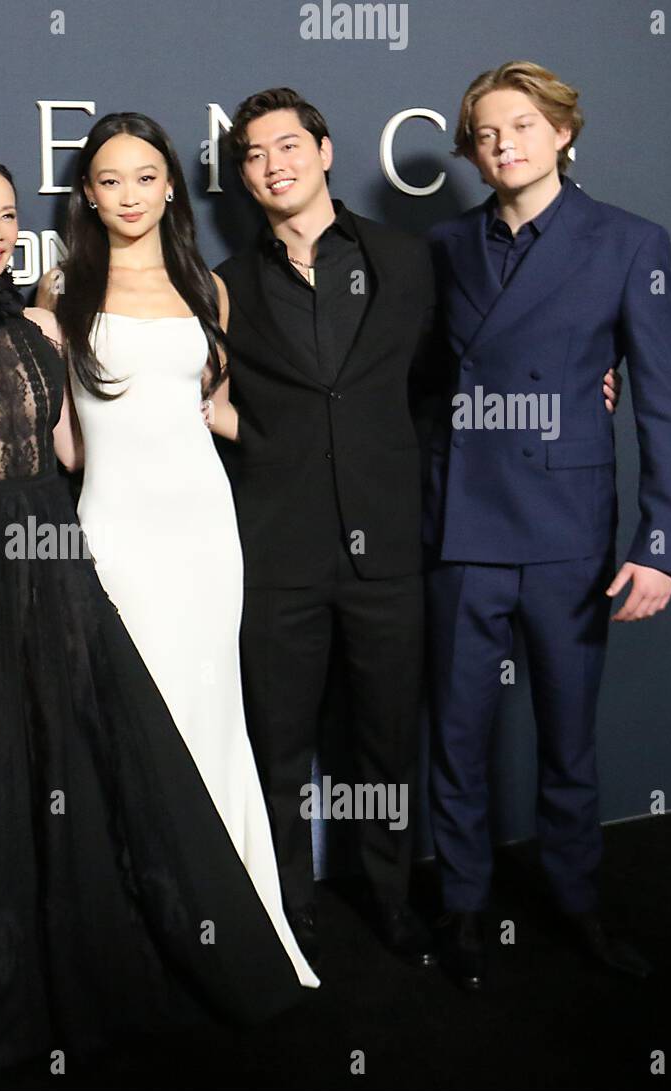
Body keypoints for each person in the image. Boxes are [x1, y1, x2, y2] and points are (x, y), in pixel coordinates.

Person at [0, 154, 317, 1082]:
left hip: (55, 545)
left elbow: (76, 442)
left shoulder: (47, 321)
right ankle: (1, 977)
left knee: (82, 744)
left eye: (6, 214)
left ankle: (115, 952)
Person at [425, 61, 671, 988]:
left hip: (570, 531)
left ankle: (578, 906)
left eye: (524, 126)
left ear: (563, 133)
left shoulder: (629, 241)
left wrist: (662, 545)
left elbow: (664, 405)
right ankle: (462, 910)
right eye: (489, 132)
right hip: (462, 525)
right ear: (472, 148)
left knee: (568, 740)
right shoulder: (445, 244)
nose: (505, 144)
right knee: (457, 739)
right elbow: (422, 382)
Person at [40, 113, 315, 971]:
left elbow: (216, 408)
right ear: (88, 192)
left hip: (202, 529)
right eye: (110, 179)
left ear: (170, 186)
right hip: (115, 529)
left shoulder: (208, 286)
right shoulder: (59, 289)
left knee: (210, 715)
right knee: (131, 723)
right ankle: (146, 928)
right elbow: (65, 440)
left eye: (146, 176)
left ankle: (239, 918)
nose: (129, 194)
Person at [206, 90, 437, 969]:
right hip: (278, 549)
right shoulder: (224, 285)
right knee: (278, 743)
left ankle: (390, 899)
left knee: (385, 742)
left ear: (327, 151)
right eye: (256, 154)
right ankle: (287, 906)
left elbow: (444, 381)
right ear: (244, 176)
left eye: (290, 145)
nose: (275, 164)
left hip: (387, 547)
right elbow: (204, 400)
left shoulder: (407, 259)